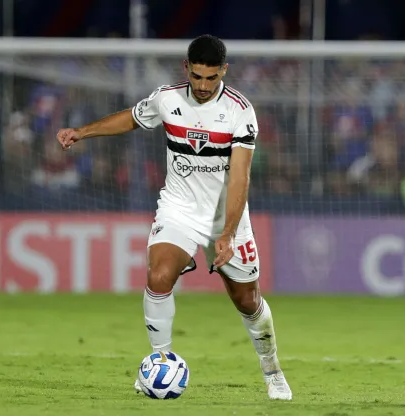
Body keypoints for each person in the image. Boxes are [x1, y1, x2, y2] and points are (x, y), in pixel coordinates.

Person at [56, 34, 292, 400]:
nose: (202, 85)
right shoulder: (168, 98)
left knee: (247, 301)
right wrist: (82, 132)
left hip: (225, 217)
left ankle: (272, 369)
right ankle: (159, 363)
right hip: (179, 208)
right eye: (197, 76)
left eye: (211, 78)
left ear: (223, 71)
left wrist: (228, 234)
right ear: (187, 68)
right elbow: (132, 118)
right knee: (159, 274)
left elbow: (240, 178)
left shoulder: (239, 111)